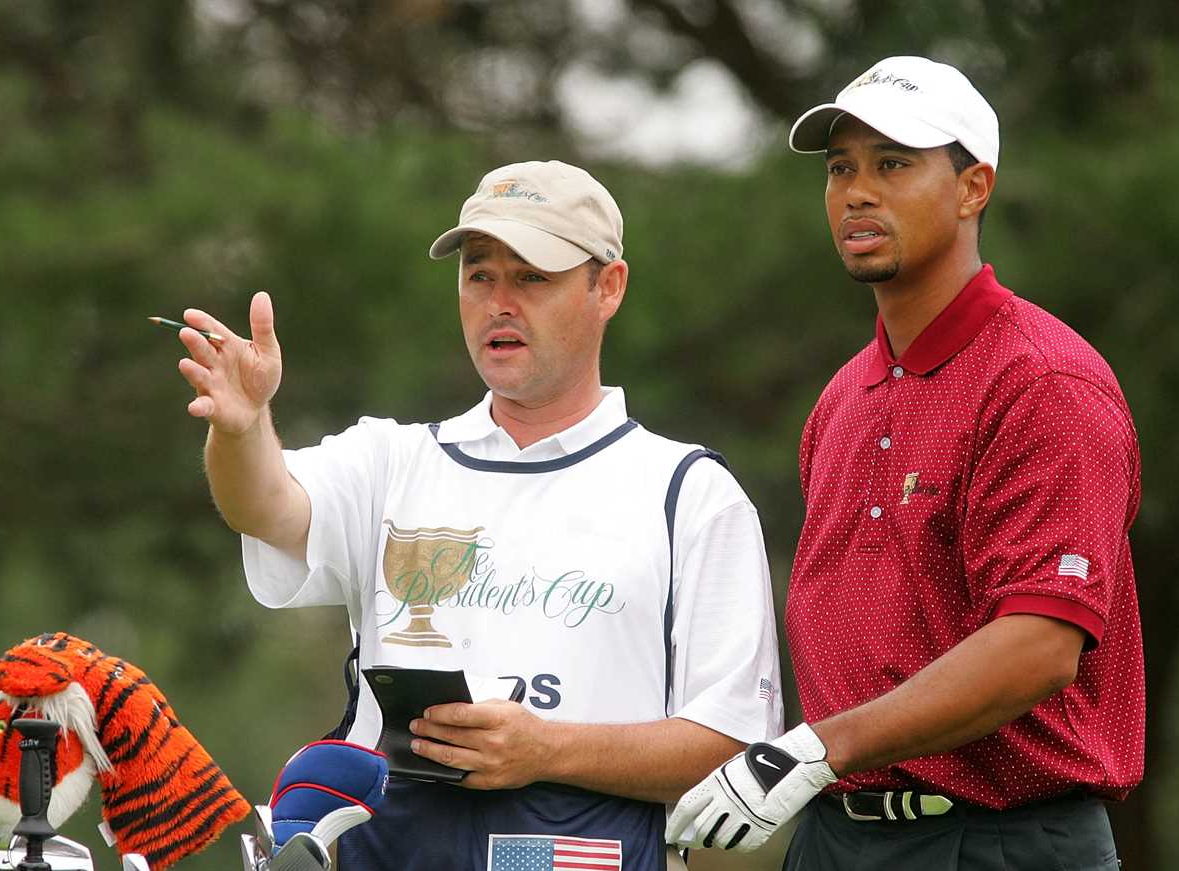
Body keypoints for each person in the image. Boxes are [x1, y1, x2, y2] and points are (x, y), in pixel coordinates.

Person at [170, 159, 783, 870]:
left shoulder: (690, 491)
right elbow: (265, 506)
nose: (499, 301)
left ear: (607, 286)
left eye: (532, 277)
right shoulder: (392, 459)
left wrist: (546, 748)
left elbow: (736, 745)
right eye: (479, 275)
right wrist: (243, 431)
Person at [667, 56, 1144, 870]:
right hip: (835, 832)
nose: (857, 191)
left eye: (893, 165)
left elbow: (1038, 643)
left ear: (973, 188)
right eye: (841, 168)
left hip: (1002, 840)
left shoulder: (1042, 383)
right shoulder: (842, 399)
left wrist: (817, 747)